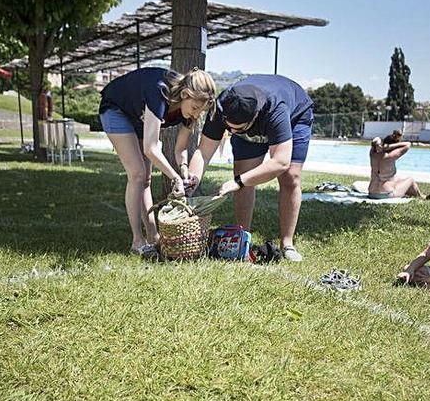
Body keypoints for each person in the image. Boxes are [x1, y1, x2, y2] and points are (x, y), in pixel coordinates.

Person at [186, 74, 314, 262]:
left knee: (290, 176)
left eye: (239, 129)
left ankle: (287, 243)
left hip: (296, 114)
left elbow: (280, 162)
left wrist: (237, 182)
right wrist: (192, 180)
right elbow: (203, 151)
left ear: (254, 118)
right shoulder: (221, 107)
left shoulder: (275, 110)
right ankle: (242, 237)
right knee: (243, 175)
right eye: (230, 128)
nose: (234, 132)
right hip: (252, 117)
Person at [99, 66, 217, 256]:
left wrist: (184, 171)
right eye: (195, 108)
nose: (196, 115)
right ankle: (137, 241)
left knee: (146, 179)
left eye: (200, 111)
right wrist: (175, 178)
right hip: (116, 109)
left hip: (139, 117)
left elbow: (180, 149)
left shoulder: (190, 112)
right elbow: (151, 148)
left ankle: (153, 237)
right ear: (185, 94)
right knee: (137, 174)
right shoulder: (159, 91)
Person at [367, 130, 426, 199]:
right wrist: (390, 146)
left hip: (371, 192)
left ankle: (417, 195)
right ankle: (422, 197)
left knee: (398, 179)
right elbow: (408, 144)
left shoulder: (373, 154)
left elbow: (375, 140)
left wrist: (382, 145)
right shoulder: (391, 156)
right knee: (410, 180)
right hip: (386, 194)